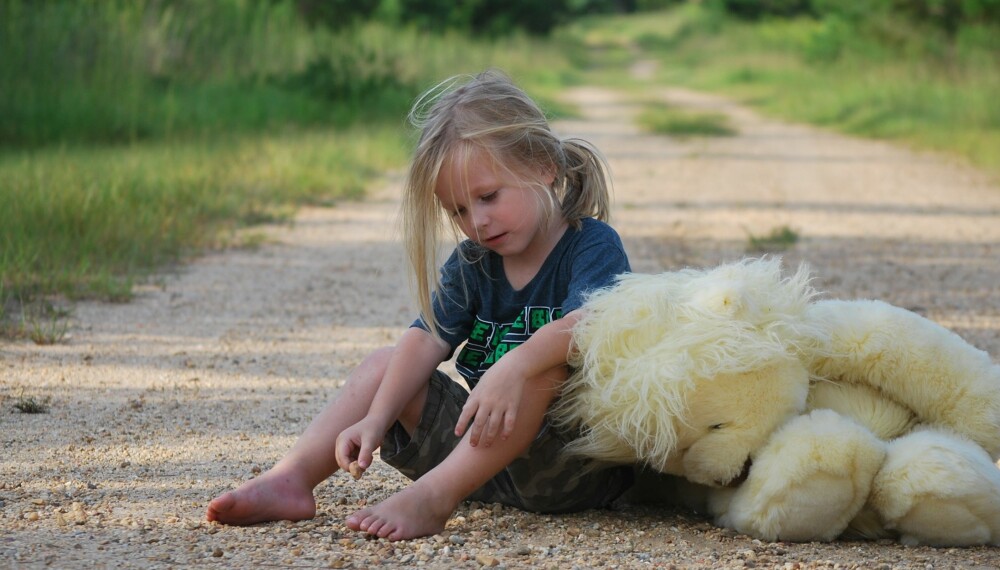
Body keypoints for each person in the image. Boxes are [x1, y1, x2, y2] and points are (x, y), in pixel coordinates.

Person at [206, 69, 633, 541]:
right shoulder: (475, 260)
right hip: (479, 461)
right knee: (384, 366)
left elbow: (592, 323)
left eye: (489, 196)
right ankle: (291, 478)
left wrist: (515, 365)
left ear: (541, 166)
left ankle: (433, 499)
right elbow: (427, 336)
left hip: (570, 468)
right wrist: (376, 415)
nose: (478, 222)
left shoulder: (590, 244)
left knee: (544, 368)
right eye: (459, 211)